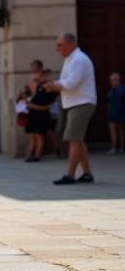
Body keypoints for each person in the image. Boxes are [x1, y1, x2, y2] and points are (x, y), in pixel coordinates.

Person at [46, 33, 97, 185]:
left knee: (73, 139)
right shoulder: (71, 59)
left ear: (71, 44)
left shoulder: (79, 59)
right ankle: (87, 173)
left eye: (60, 45)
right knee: (78, 140)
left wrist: (54, 86)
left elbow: (72, 83)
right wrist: (54, 83)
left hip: (81, 104)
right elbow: (67, 81)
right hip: (75, 103)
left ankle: (70, 175)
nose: (58, 49)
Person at [24, 67, 56, 162]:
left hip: (41, 113)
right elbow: (33, 97)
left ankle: (37, 155)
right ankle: (31, 153)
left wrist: (32, 106)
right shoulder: (38, 85)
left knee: (39, 134)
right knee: (31, 134)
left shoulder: (51, 87)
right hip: (33, 113)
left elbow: (48, 105)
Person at [107, 72, 124, 155]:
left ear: (118, 80)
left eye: (113, 80)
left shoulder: (120, 90)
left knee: (116, 130)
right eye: (111, 80)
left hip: (117, 112)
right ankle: (120, 147)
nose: (112, 82)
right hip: (115, 112)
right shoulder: (112, 90)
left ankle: (115, 147)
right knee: (120, 130)